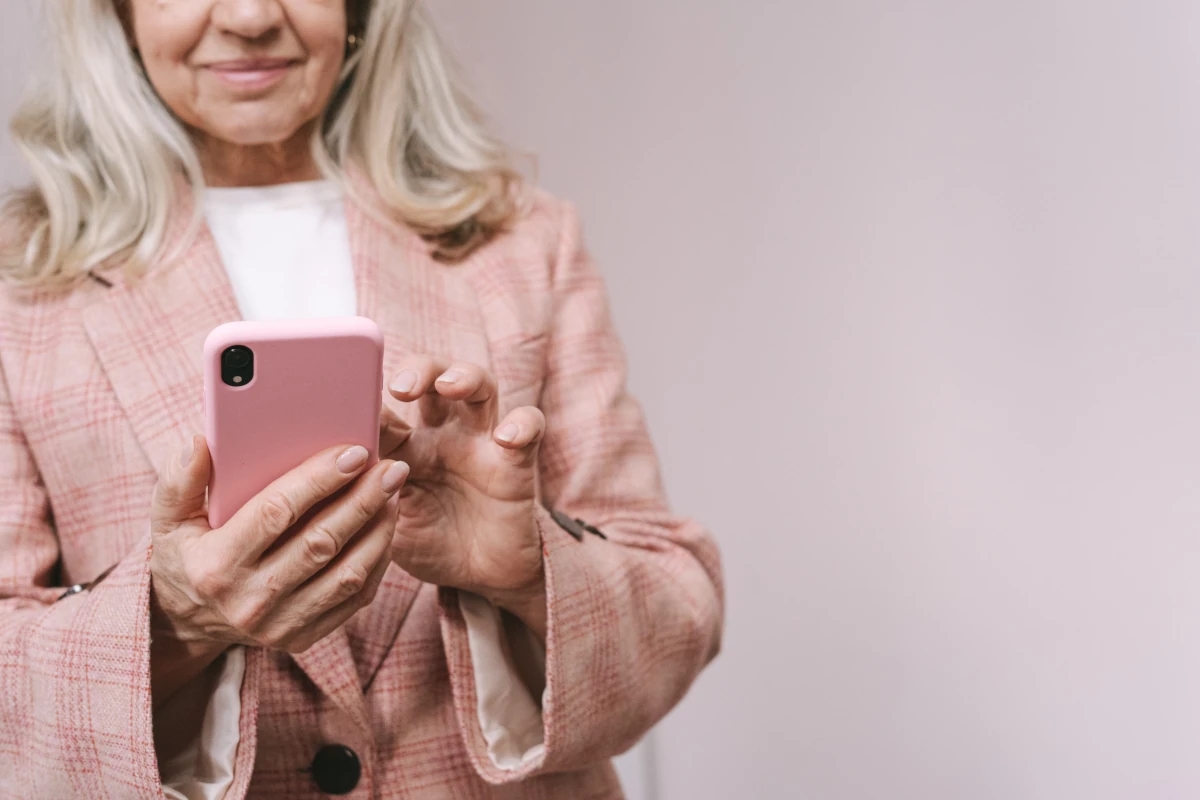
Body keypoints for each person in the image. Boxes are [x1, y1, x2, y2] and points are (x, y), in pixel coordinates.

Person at [0, 1, 723, 797]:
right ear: (117, 13)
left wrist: (527, 570)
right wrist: (173, 619)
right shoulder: (19, 288)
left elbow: (679, 603)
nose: (247, 16)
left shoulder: (524, 243)